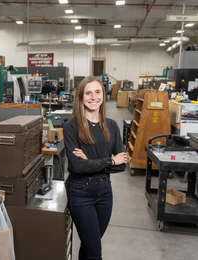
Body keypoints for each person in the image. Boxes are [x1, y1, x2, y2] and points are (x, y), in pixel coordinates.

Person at [63, 76, 127, 260]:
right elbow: (77, 166)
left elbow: (121, 165)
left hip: (105, 191)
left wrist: (91, 161)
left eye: (97, 92)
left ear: (103, 95)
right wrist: (110, 161)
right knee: (94, 252)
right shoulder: (71, 127)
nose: (93, 97)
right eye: (88, 93)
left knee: (91, 244)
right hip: (80, 191)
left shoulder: (112, 126)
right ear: (81, 97)